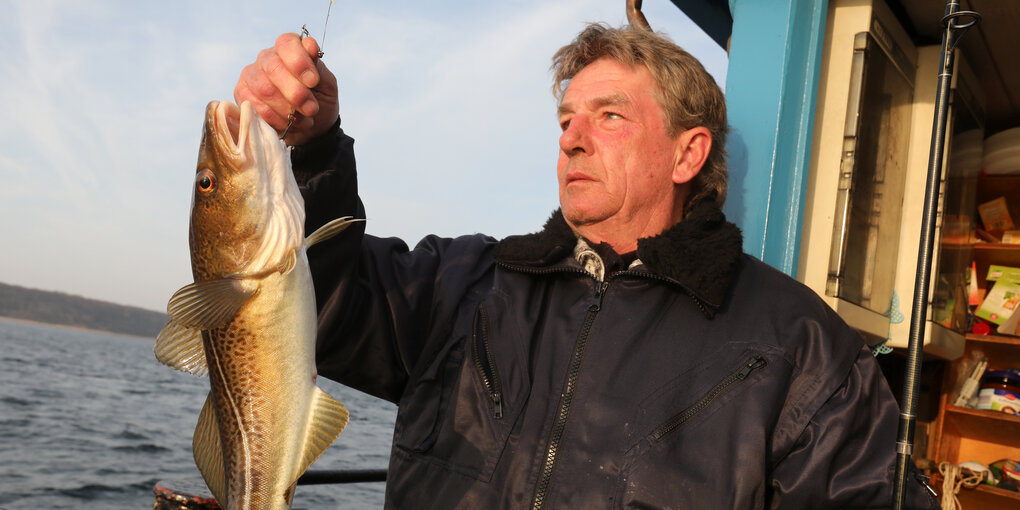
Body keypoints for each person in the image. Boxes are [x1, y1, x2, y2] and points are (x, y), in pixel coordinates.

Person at [234, 24, 937, 509]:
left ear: (688, 155)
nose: (572, 140)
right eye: (566, 119)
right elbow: (321, 310)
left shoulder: (799, 347)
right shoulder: (468, 282)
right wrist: (316, 150)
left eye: (609, 117)